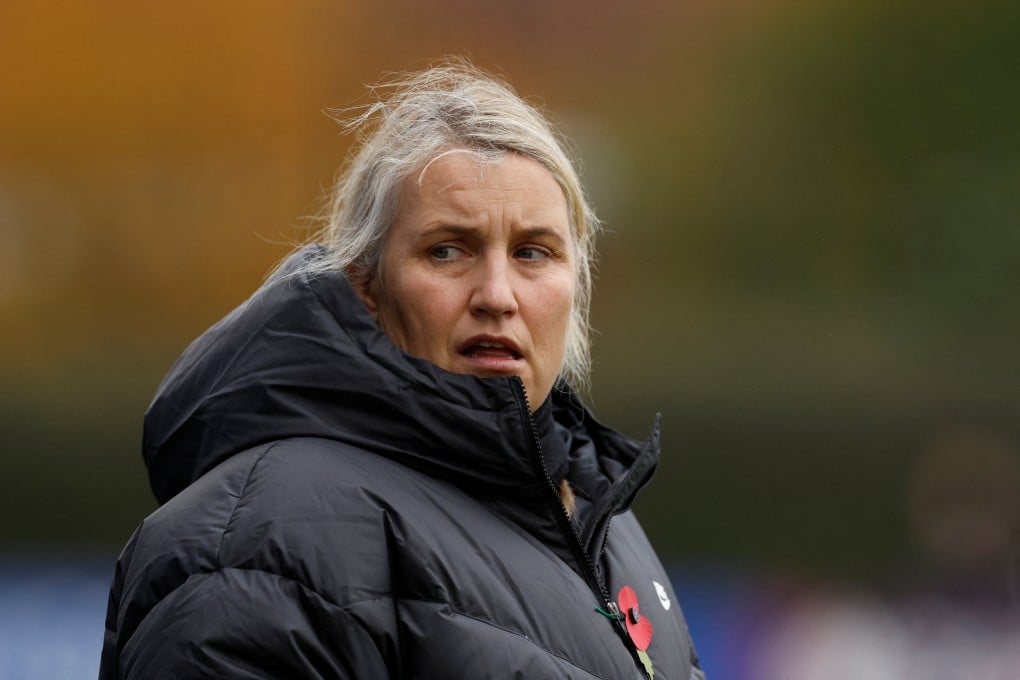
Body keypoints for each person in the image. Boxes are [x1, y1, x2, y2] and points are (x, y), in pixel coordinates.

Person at [99, 60, 706, 679]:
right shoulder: (256, 541)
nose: (497, 294)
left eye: (533, 253)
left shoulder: (602, 520)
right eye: (447, 250)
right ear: (366, 286)